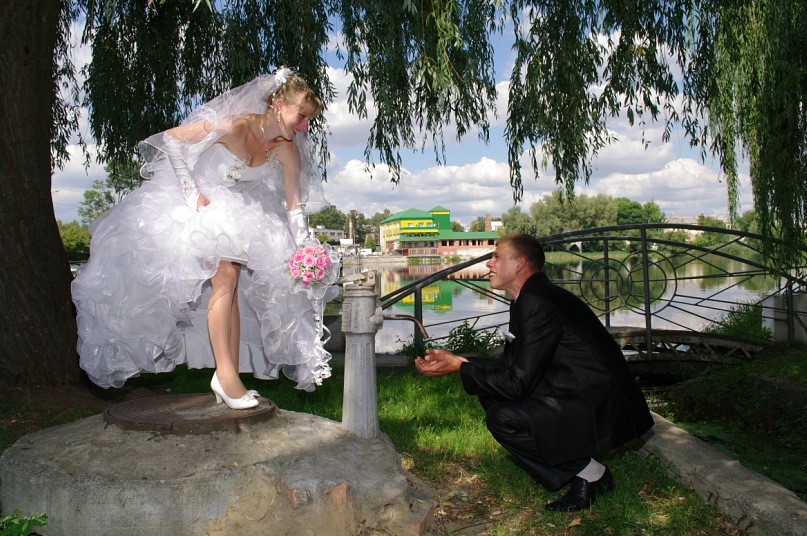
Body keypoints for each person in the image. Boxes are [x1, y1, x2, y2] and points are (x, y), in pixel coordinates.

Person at [72, 68, 340, 409]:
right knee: (226, 277)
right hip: (198, 206)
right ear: (278, 105)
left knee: (231, 285)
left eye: (308, 120)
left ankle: (228, 377)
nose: (304, 126)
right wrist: (191, 194)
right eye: (301, 116)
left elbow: (294, 207)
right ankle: (226, 377)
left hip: (237, 216)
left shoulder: (286, 150)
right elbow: (172, 140)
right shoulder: (235, 125)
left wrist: (304, 249)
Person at [415, 234, 654, 511]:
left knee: (503, 418)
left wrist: (461, 367)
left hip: (599, 401)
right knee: (491, 392)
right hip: (577, 389)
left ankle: (592, 474)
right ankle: (579, 465)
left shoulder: (536, 301)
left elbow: (517, 383)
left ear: (519, 264)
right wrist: (460, 361)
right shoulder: (528, 297)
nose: (489, 264)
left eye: (497, 257)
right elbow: (514, 366)